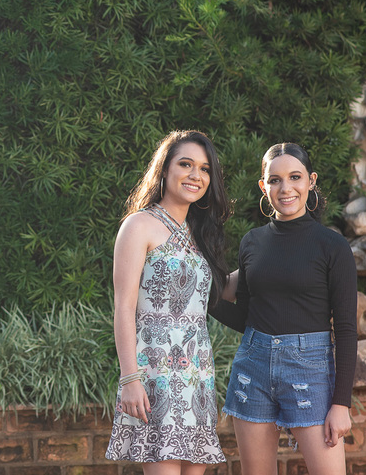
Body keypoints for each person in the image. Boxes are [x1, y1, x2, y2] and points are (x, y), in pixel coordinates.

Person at [213, 142, 358, 475]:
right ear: (264, 187)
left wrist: (341, 404)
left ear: (310, 181)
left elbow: (347, 329)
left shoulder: (332, 246)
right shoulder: (252, 241)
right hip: (254, 366)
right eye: (275, 180)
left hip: (310, 371)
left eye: (295, 177)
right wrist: (207, 302)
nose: (286, 188)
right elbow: (248, 316)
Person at [106, 129, 233, 474]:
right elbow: (123, 307)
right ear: (164, 170)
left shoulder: (199, 232)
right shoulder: (139, 226)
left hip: (197, 375)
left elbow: (216, 291)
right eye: (186, 164)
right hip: (154, 374)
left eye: (205, 169)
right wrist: (129, 378)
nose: (196, 175)